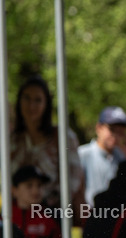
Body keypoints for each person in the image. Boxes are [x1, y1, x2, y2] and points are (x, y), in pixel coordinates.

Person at [10, 76, 85, 212]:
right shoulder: (11, 139)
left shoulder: (63, 137)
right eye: (27, 98)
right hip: (18, 215)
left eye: (38, 100)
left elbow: (74, 179)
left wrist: (50, 205)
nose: (31, 105)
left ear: (46, 104)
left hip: (54, 213)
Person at [78, 106, 126, 207]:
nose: (116, 135)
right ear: (98, 128)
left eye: (121, 132)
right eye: (112, 130)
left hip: (115, 214)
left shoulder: (122, 157)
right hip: (89, 212)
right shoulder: (83, 154)